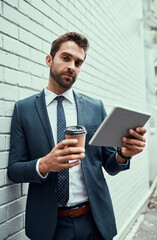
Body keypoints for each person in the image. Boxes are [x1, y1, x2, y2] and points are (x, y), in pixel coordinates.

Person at [8, 32, 147, 240]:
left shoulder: (94, 107)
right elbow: (14, 170)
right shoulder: (24, 109)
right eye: (66, 58)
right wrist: (44, 164)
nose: (72, 66)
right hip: (50, 226)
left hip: (95, 221)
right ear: (49, 60)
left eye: (78, 62)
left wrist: (124, 154)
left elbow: (109, 165)